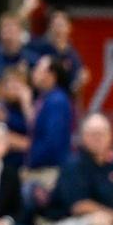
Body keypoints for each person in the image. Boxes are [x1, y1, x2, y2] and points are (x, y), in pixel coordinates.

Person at [24, 53, 75, 184]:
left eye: (38, 69)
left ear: (51, 75)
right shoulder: (44, 98)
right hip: (40, 169)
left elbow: (52, 141)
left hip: (48, 173)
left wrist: (32, 161)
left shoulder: (57, 101)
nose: (33, 72)